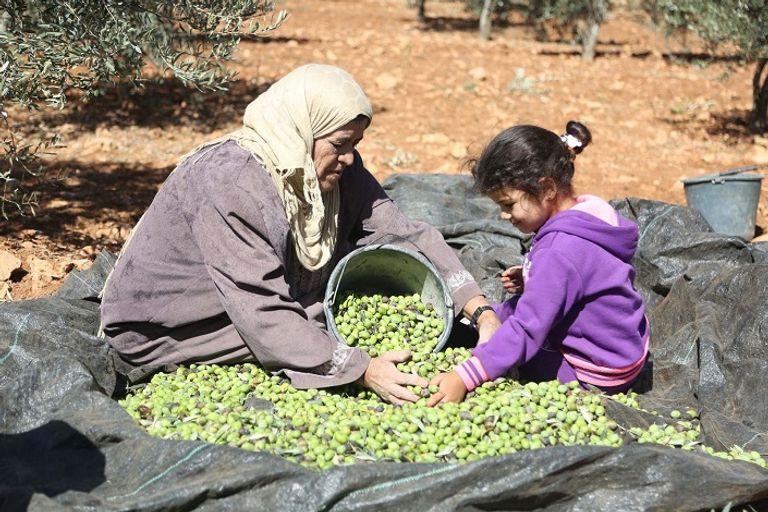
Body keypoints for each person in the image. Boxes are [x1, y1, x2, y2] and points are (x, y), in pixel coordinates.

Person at [99, 63, 500, 405]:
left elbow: (404, 233)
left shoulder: (336, 169)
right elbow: (261, 310)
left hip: (254, 299)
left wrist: (479, 310)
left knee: (358, 301)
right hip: (171, 327)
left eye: (355, 144)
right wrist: (361, 369)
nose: (348, 158)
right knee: (317, 318)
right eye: (340, 144)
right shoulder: (231, 183)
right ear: (302, 130)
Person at [428, 120, 649, 405]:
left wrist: (464, 377)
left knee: (510, 352)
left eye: (508, 204)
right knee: (496, 318)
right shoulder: (591, 210)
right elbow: (585, 273)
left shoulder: (559, 251)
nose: (503, 216)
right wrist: (533, 278)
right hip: (624, 347)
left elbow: (528, 329)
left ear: (546, 188)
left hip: (595, 371)